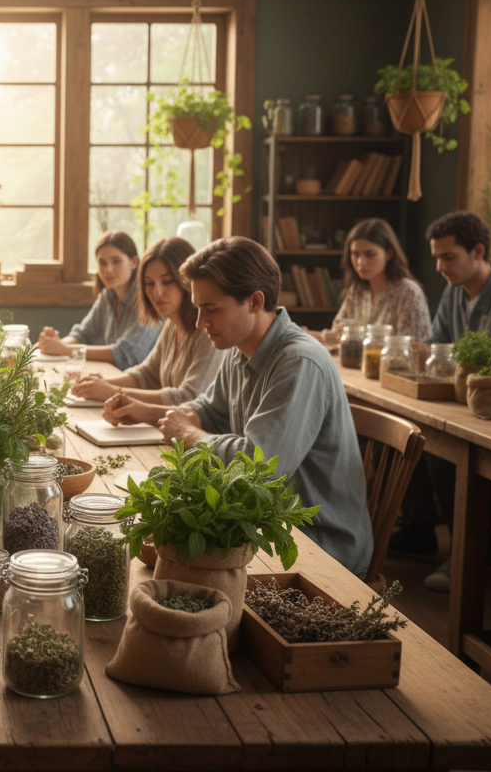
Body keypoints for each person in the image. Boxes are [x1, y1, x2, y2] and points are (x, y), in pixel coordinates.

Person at [156, 236, 374, 577]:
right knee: (160, 546)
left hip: (318, 544)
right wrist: (189, 415)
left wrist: (189, 434)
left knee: (176, 570)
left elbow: (260, 465)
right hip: (266, 523)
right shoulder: (238, 348)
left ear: (255, 301)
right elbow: (210, 410)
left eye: (211, 309)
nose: (200, 322)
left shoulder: (299, 361)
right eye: (198, 308)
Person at [406, 211, 491, 591]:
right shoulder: (454, 292)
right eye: (436, 256)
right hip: (466, 409)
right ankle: (472, 549)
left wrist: (445, 359)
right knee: (432, 448)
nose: (439, 266)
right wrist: (427, 353)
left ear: (478, 251)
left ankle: (486, 562)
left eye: (448, 257)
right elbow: (438, 345)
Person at [66, 236, 219, 424]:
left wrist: (111, 391)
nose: (157, 292)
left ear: (188, 281)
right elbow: (147, 374)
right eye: (149, 283)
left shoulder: (209, 330)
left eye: (167, 281)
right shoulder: (171, 323)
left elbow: (188, 398)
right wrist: (98, 384)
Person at [37, 230, 160, 368]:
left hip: (141, 386)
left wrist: (63, 349)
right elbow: (83, 335)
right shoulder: (108, 296)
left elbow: (127, 354)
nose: (108, 269)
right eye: (102, 263)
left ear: (134, 262)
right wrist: (55, 343)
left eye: (116, 261)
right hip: (111, 376)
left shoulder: (149, 299)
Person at [310, 217, 430, 345]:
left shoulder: (408, 293)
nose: (361, 262)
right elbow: (338, 331)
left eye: (370, 254)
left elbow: (415, 348)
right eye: (355, 254)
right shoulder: (357, 290)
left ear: (389, 254)